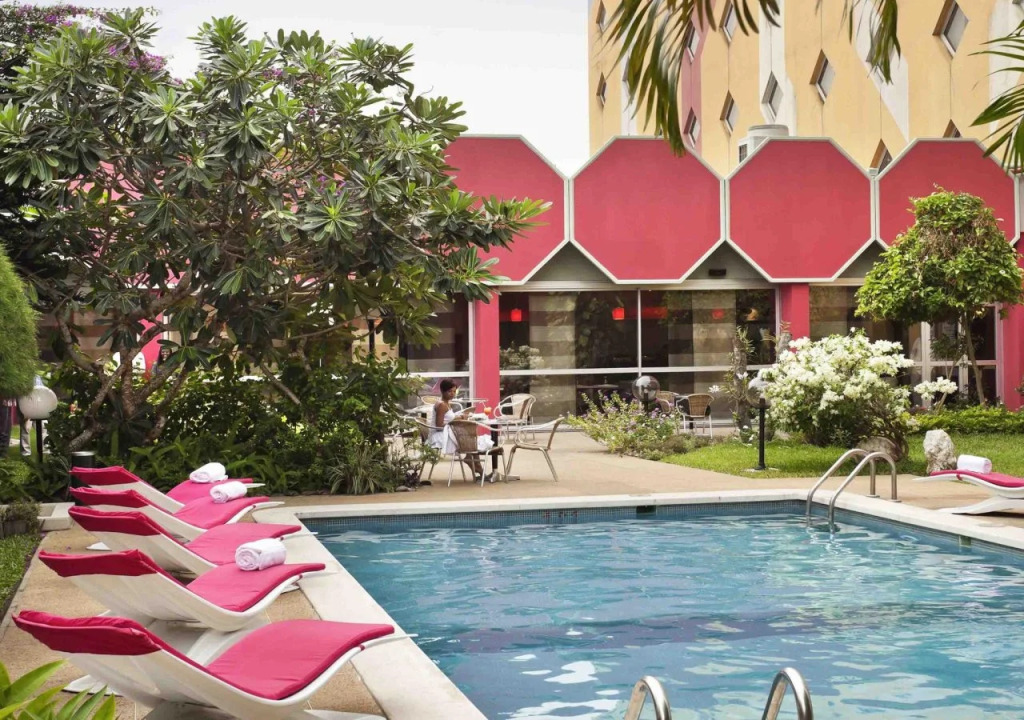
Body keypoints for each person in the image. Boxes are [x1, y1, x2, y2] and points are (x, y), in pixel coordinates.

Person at [429, 379, 496, 482]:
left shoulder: (447, 403)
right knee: (471, 440)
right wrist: (456, 420)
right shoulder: (441, 405)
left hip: (447, 432)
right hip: (440, 435)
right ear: (443, 391)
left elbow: (448, 418)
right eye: (450, 391)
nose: (452, 394)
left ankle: (479, 470)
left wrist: (458, 417)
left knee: (472, 439)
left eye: (454, 391)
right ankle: (480, 471)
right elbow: (439, 425)